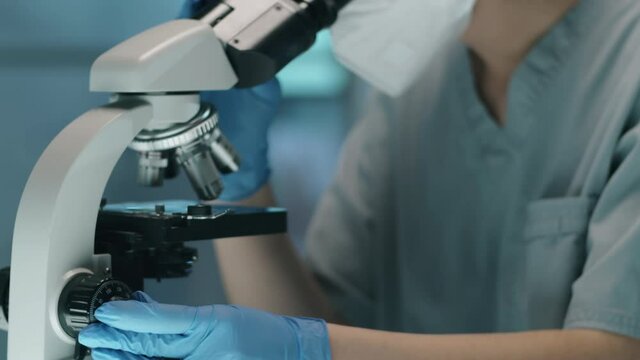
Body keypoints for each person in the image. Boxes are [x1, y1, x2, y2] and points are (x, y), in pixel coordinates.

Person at [79, 0, 640, 358]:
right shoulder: (416, 95)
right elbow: (320, 322)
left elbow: (617, 347)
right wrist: (240, 184)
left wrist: (309, 350)